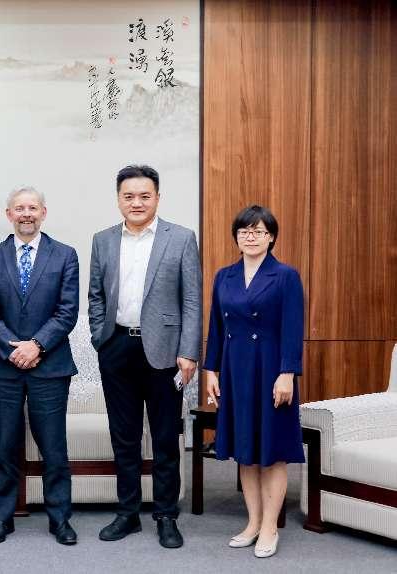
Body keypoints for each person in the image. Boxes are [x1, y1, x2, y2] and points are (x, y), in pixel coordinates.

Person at [88, 165, 202, 549]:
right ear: (119, 199)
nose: (136, 202)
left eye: (144, 196)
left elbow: (192, 299)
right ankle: (128, 513)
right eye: (129, 196)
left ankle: (166, 516)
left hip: (165, 352)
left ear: (157, 198)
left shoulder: (181, 238)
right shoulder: (103, 240)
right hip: (117, 347)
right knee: (124, 437)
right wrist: (101, 338)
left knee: (166, 438)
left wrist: (189, 352)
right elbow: (96, 295)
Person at [0, 187, 79, 545]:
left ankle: (60, 519)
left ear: (43, 213)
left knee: (54, 449)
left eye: (32, 208)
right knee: (5, 446)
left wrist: (36, 346)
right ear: (8, 214)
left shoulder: (65, 255)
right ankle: (2, 519)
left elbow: (67, 311)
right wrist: (14, 350)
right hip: (4, 368)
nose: (26, 214)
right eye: (19, 208)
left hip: (49, 366)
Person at [203, 205, 304, 559]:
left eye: (259, 231)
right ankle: (253, 522)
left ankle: (271, 527)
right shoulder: (224, 276)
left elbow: (293, 328)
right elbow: (217, 327)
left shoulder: (285, 276)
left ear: (271, 237)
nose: (251, 237)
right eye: (244, 231)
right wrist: (211, 370)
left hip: (272, 369)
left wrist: (287, 373)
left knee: (272, 452)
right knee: (245, 451)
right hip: (235, 369)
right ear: (236, 236)